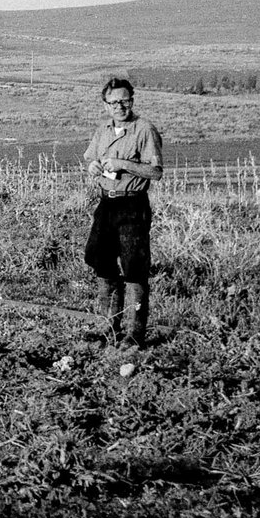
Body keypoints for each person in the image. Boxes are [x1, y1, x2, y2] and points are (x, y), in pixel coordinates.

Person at [83, 77, 163, 351]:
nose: (120, 106)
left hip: (132, 205)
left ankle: (134, 334)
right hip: (107, 204)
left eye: (124, 100)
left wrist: (123, 164)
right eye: (114, 102)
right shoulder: (103, 130)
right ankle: (107, 328)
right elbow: (90, 158)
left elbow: (156, 172)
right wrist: (94, 166)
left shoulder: (144, 130)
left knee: (134, 269)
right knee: (100, 260)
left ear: (132, 100)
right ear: (105, 105)